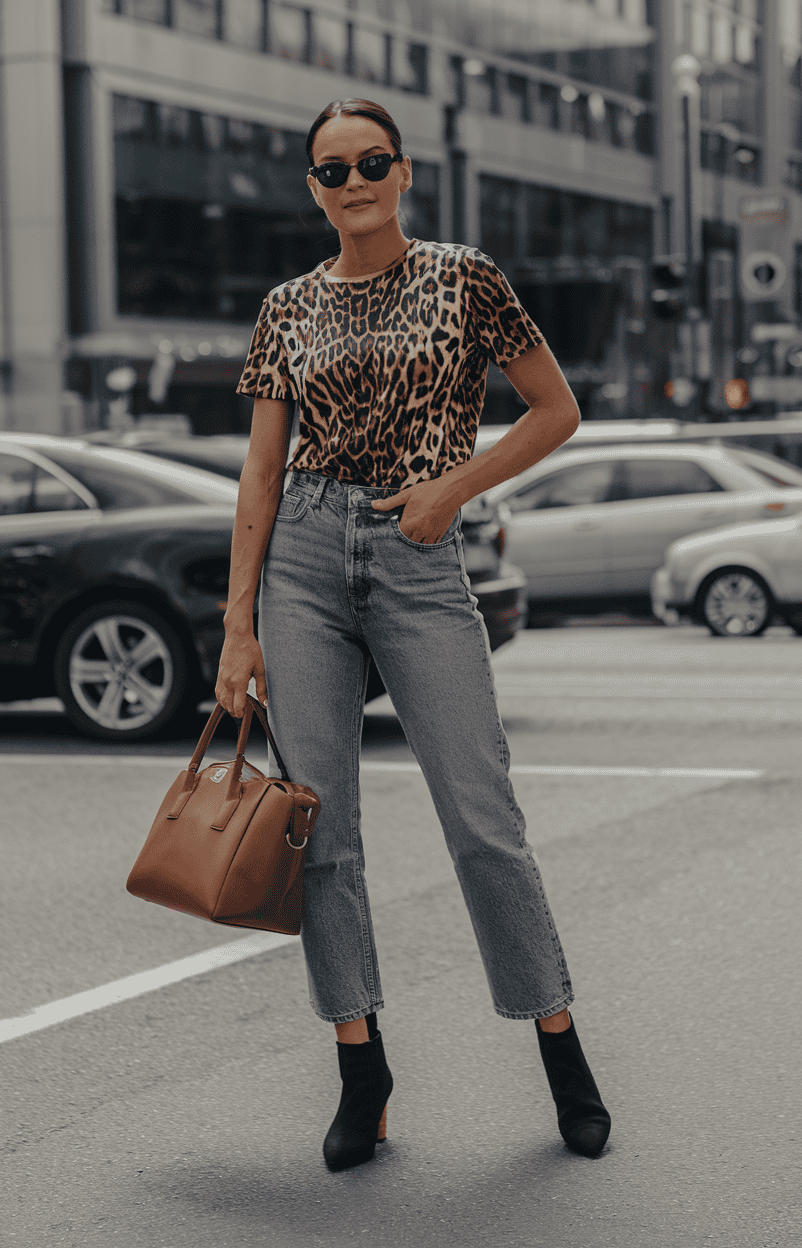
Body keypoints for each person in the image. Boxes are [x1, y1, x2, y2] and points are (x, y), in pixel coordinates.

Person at [216, 97, 611, 1172]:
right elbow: (258, 471)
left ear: (403, 172)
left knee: (482, 819)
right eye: (332, 170)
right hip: (299, 558)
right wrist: (237, 627)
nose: (354, 183)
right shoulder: (285, 307)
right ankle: (361, 1067)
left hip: (416, 554)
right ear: (313, 187)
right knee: (322, 833)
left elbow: (553, 409)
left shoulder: (464, 275)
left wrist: (453, 490)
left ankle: (560, 1045)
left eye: (372, 163)